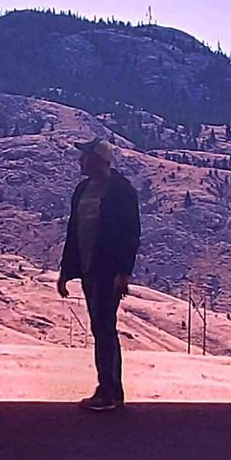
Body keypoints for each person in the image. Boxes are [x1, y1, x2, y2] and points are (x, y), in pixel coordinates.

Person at [56, 136, 140, 411]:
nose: (80, 161)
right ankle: (106, 388)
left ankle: (110, 391)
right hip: (89, 269)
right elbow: (74, 232)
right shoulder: (82, 190)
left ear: (99, 160)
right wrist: (67, 271)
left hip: (107, 271)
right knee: (99, 327)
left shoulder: (121, 191)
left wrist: (124, 272)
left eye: (85, 156)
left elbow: (130, 234)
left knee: (104, 328)